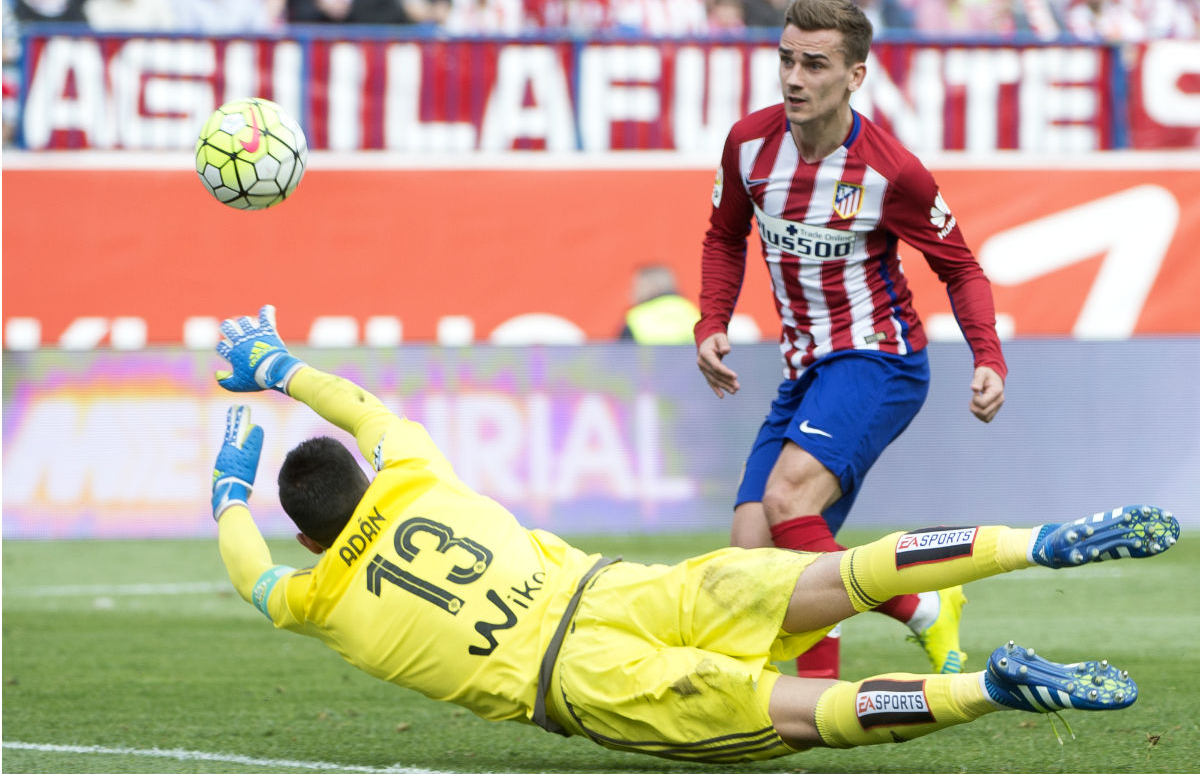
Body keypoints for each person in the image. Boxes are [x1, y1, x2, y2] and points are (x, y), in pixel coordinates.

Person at [209, 305, 1179, 764]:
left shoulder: (316, 598)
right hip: (615, 588)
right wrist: (281, 368)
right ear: (368, 471)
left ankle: (985, 687)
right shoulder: (414, 468)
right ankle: (1035, 539)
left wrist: (226, 487)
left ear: (308, 540)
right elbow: (367, 406)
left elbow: (250, 573)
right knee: (836, 574)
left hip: (577, 679)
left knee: (799, 710)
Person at [694, 0, 1008, 681]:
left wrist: (989, 356)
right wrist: (711, 321)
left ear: (855, 75)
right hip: (806, 367)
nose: (794, 78)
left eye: (814, 63)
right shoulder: (748, 145)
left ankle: (863, 659)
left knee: (788, 503)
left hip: (880, 359)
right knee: (753, 552)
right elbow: (723, 237)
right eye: (786, 59)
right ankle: (893, 636)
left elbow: (960, 267)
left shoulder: (890, 171)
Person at [620, 264, 702, 343]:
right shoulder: (691, 311)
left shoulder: (637, 317)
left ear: (648, 287)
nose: (631, 292)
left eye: (636, 286)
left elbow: (622, 354)